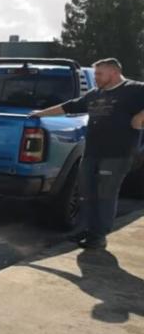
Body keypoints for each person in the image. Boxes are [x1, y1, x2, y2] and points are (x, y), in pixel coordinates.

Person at [28, 58, 144, 249]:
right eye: (96, 74)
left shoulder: (134, 89)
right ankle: (86, 229)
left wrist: (140, 118)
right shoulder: (95, 94)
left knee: (105, 194)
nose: (95, 78)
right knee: (86, 193)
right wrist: (40, 114)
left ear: (114, 73)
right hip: (91, 153)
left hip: (116, 155)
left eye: (99, 74)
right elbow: (68, 106)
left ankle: (98, 236)